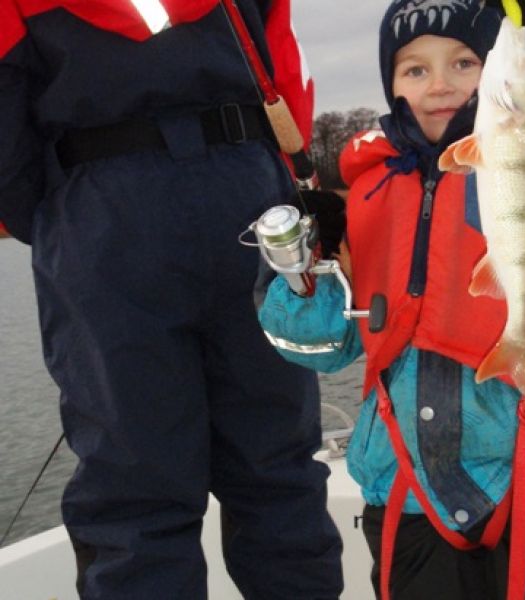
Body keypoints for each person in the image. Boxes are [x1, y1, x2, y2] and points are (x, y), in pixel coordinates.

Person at [258, 0, 525, 598]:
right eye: (415, 69)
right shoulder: (368, 191)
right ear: (390, 85)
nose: (440, 84)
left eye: (463, 62)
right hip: (406, 491)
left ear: (498, 68)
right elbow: (321, 347)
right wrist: (308, 270)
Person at [0, 1, 344, 598]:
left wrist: (55, 218)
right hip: (247, 196)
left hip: (102, 212)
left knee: (134, 490)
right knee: (277, 466)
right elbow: (287, 77)